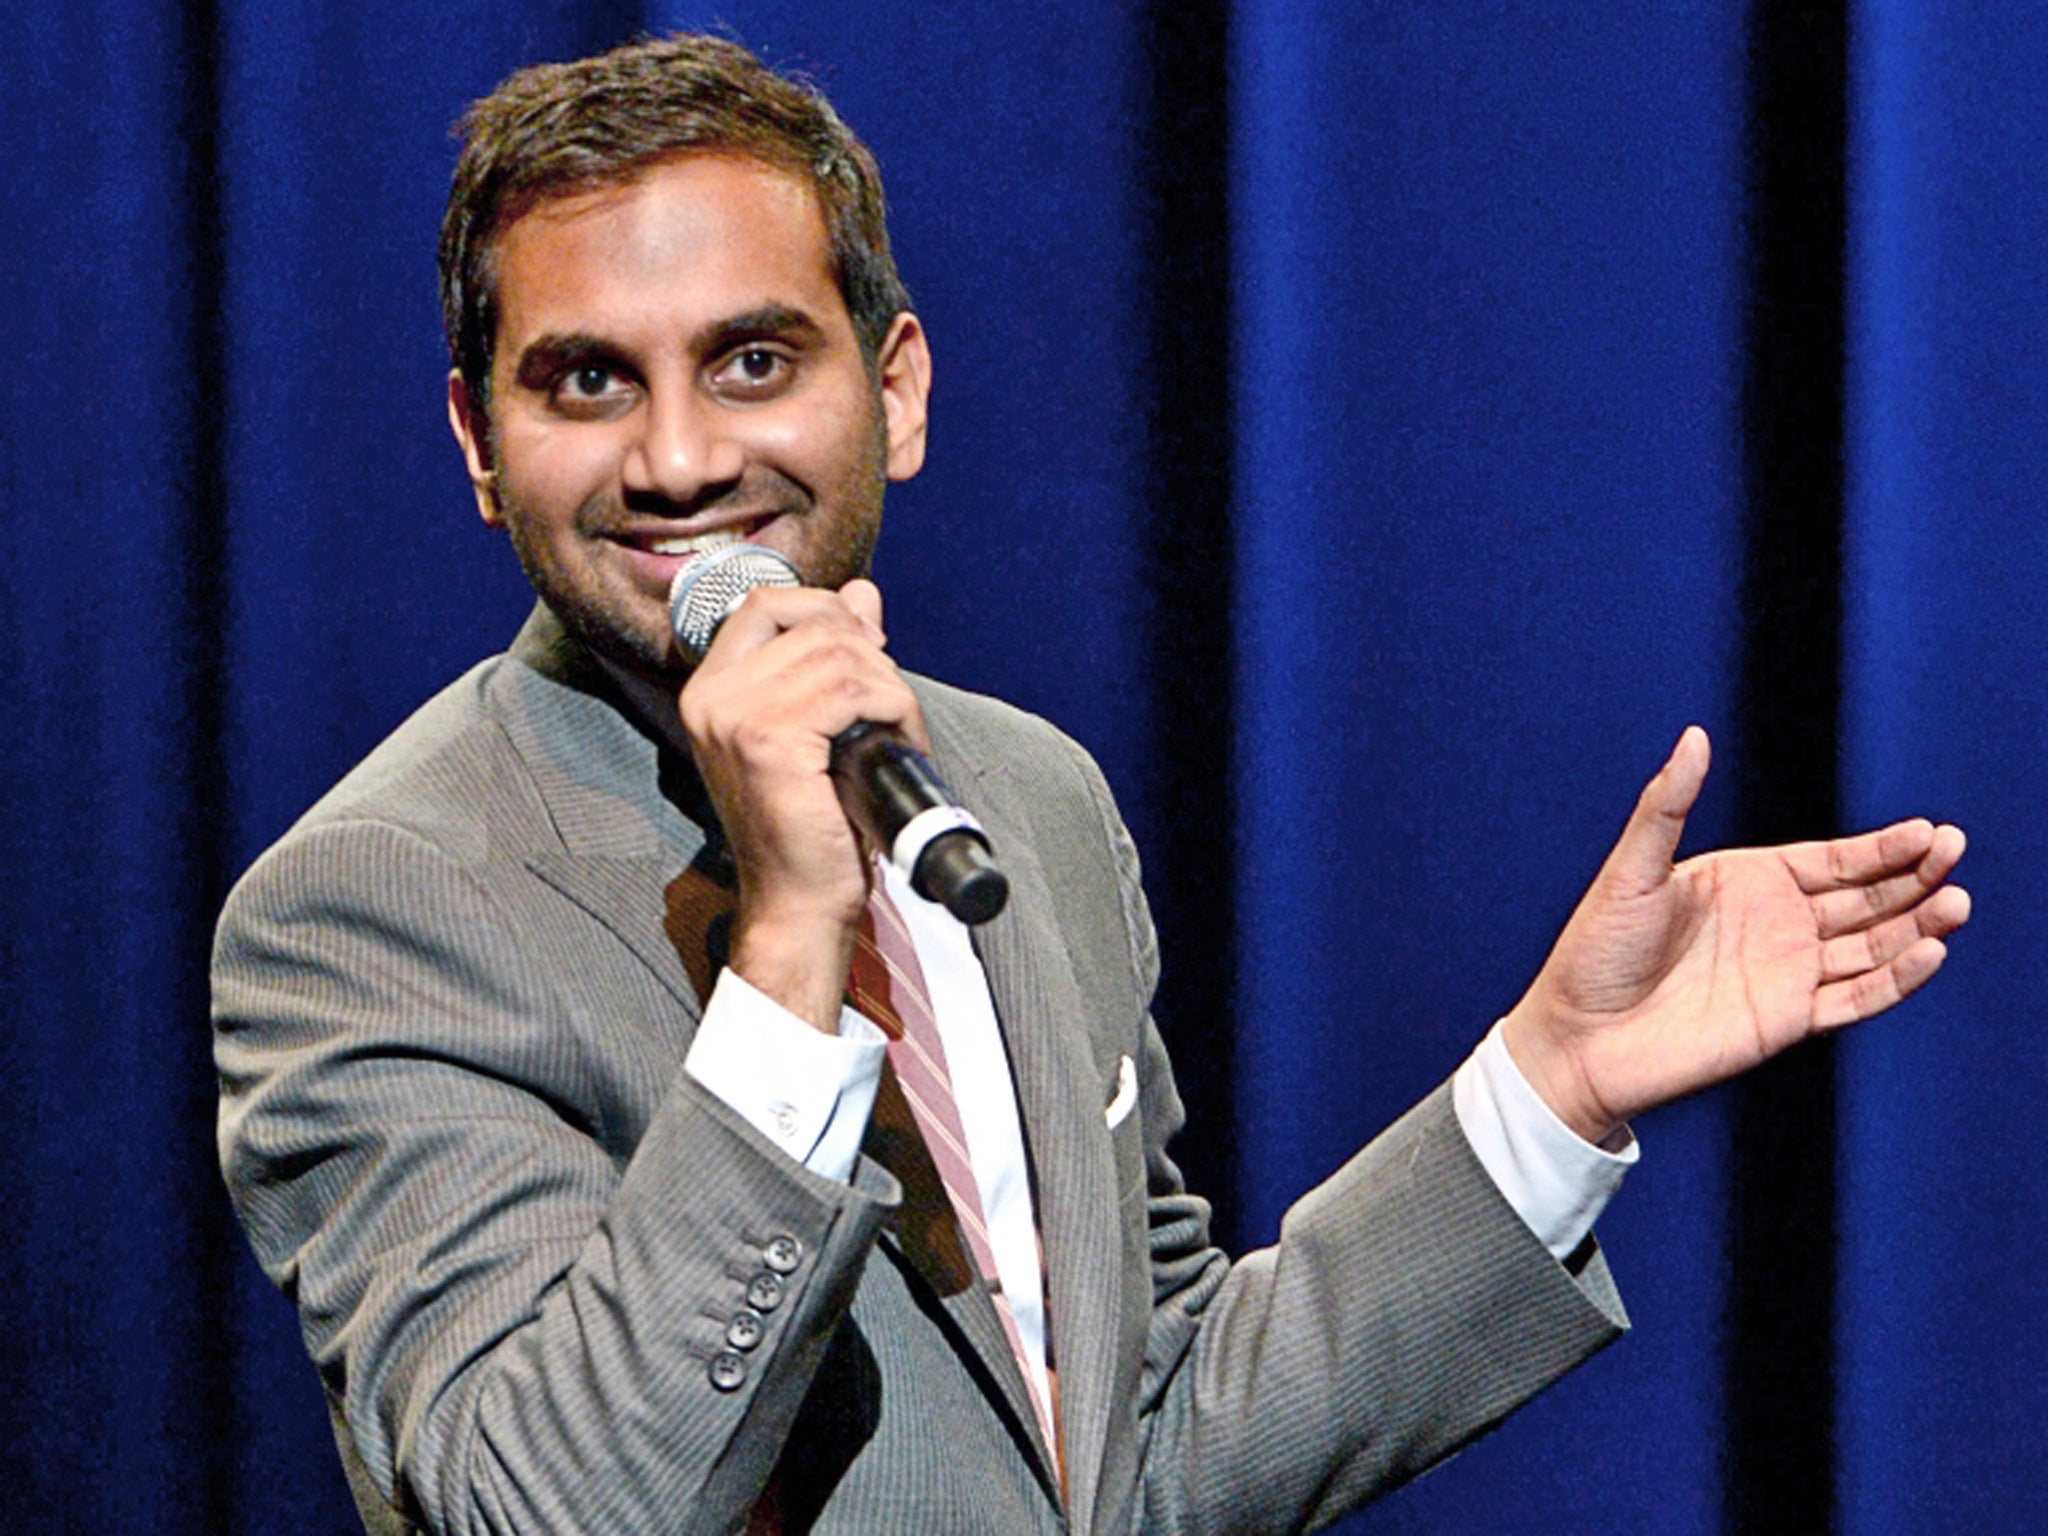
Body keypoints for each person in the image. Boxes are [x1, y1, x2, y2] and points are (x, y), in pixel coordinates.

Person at [211, 33, 1969, 1536]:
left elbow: (1144, 1444)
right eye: (589, 383)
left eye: (755, 359)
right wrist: (795, 931)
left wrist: (1550, 1089)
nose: (680, 459)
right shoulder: (374, 905)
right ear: (477, 445)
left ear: (892, 391)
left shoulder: (1019, 794)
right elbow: (547, 1508)